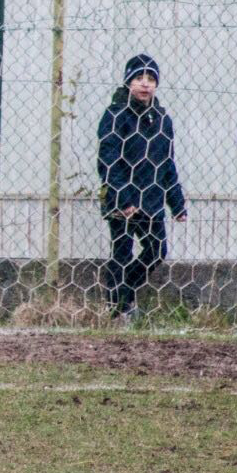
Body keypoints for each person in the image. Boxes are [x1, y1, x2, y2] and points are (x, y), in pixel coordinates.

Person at [96, 54, 186, 322]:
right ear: (128, 81)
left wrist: (177, 203)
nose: (145, 84)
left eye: (151, 79)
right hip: (123, 201)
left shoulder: (161, 119)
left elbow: (167, 164)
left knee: (156, 250)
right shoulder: (116, 115)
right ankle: (116, 312)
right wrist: (122, 198)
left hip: (152, 201)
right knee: (121, 253)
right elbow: (108, 159)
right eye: (139, 78)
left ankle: (125, 293)